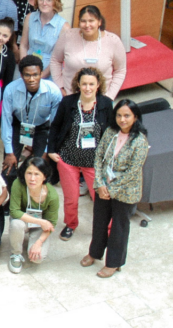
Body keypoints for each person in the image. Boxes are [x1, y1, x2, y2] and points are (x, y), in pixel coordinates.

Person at [83, 99, 149, 278]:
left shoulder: (140, 141)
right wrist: (100, 183)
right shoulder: (111, 132)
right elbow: (98, 157)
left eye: (127, 116)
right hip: (104, 186)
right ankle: (94, 253)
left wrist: (111, 190)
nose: (122, 119)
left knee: (119, 228)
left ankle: (114, 263)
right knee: (99, 223)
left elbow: (132, 172)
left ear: (135, 117)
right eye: (119, 115)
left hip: (125, 191)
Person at [48, 67, 112, 240]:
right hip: (68, 159)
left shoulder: (106, 104)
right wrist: (51, 150)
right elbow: (55, 126)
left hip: (94, 162)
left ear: (98, 85)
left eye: (91, 84)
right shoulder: (68, 102)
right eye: (84, 84)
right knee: (71, 198)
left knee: (100, 198)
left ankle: (106, 228)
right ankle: (70, 224)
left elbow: (111, 132)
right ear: (78, 84)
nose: (88, 88)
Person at [1, 55, 62, 184]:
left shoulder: (53, 92)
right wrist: (9, 152)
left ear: (41, 73)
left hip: (42, 126)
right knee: (8, 169)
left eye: (35, 74)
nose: (32, 79)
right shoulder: (11, 90)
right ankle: (10, 199)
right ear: (21, 75)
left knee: (41, 169)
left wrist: (46, 151)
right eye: (27, 75)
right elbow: (6, 121)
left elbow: (55, 125)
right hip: (18, 124)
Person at [51, 5, 126, 99]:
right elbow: (55, 60)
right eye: (83, 21)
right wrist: (60, 86)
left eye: (91, 21)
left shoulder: (113, 41)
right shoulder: (68, 36)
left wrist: (109, 97)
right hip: (70, 97)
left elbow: (120, 71)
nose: (87, 25)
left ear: (99, 22)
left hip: (101, 99)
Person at [7, 156, 58, 274]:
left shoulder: (52, 195)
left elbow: (52, 223)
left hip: (41, 227)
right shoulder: (18, 184)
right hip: (25, 220)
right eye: (29, 173)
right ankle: (16, 254)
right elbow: (14, 211)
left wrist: (38, 243)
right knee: (16, 224)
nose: (32, 178)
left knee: (37, 258)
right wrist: (41, 222)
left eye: (37, 174)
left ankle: (33, 242)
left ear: (44, 176)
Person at [19, 0, 68, 76]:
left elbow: (59, 58)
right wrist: (24, 67)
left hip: (50, 71)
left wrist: (41, 76)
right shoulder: (30, 17)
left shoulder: (64, 27)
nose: (44, 3)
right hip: (27, 66)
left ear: (55, 2)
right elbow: (23, 45)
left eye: (49, 0)